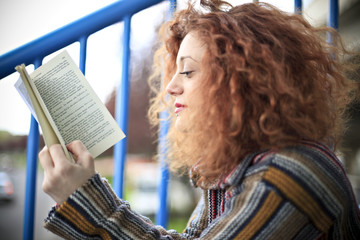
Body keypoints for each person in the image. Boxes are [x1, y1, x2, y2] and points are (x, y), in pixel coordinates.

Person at [39, 1, 360, 239]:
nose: (171, 86)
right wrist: (82, 194)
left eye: (188, 71)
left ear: (243, 82)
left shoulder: (288, 176)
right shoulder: (242, 163)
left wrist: (84, 196)